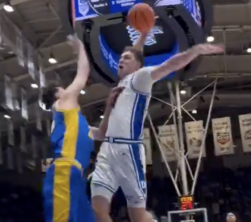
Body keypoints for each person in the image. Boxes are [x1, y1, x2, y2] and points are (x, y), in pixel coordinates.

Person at [89, 30, 224, 222]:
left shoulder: (140, 77)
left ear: (137, 65)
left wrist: (194, 51)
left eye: (126, 58)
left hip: (128, 150)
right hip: (107, 150)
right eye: (120, 57)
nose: (121, 59)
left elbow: (169, 65)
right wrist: (75, 129)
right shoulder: (117, 90)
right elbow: (101, 133)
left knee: (137, 217)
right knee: (97, 209)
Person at [41, 35, 123, 222]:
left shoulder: (77, 123)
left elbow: (101, 134)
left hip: (76, 175)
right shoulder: (62, 103)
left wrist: (109, 106)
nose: (68, 91)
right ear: (57, 94)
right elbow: (82, 74)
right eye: (63, 89)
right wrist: (81, 49)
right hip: (63, 171)